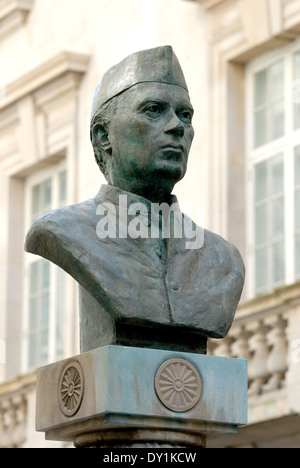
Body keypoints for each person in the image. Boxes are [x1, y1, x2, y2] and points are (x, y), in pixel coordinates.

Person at [25, 46, 245, 354]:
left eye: (185, 115)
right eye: (153, 110)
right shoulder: (63, 231)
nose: (176, 127)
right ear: (104, 135)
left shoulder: (223, 260)